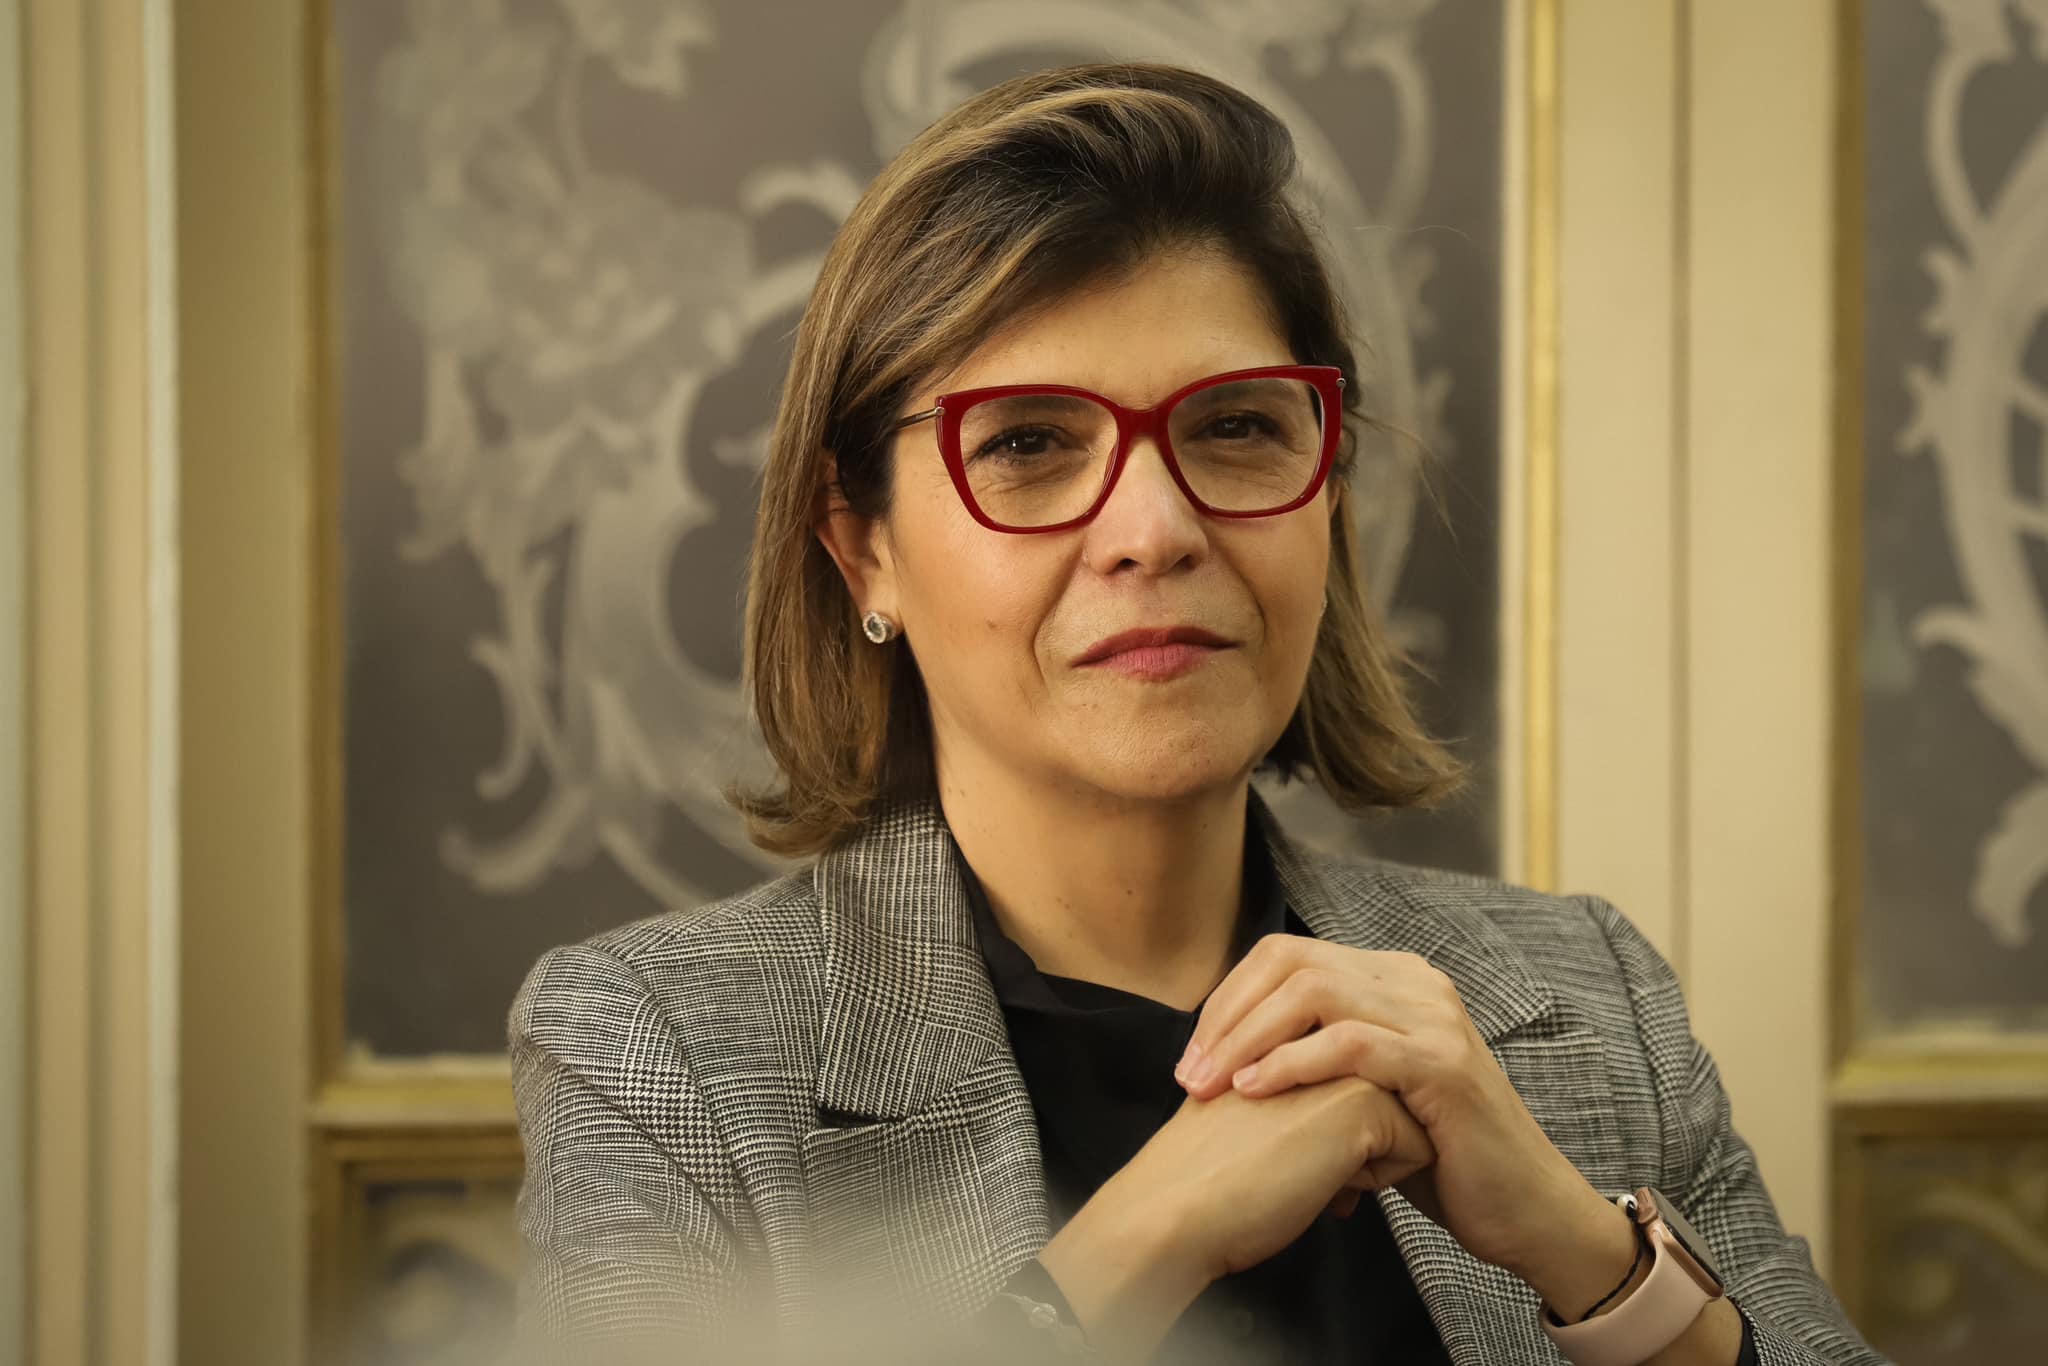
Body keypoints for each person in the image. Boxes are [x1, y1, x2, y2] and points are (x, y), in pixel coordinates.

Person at [509, 61, 1887, 1366]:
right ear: (863, 548)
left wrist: (1585, 1253)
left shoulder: (1589, 995)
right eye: (1029, 444)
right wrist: (1136, 1248)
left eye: (1235, 427)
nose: (1155, 530)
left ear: (1325, 494)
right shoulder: (660, 1049)